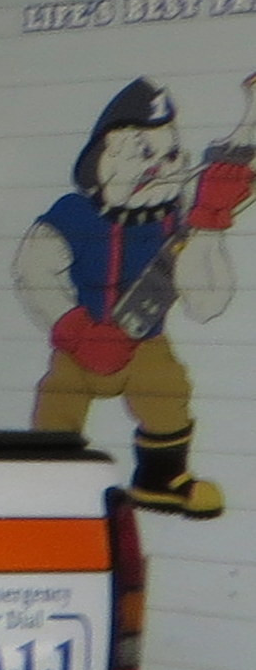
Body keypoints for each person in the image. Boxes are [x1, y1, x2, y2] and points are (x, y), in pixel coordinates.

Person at [18, 76, 237, 518]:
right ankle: (47, 479)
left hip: (145, 344)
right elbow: (34, 270)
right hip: (79, 346)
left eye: (170, 154)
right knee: (59, 399)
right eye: (144, 153)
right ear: (105, 157)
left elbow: (206, 302)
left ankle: (160, 477)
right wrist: (74, 328)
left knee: (167, 390)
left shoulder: (175, 222)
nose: (160, 167)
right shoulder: (72, 215)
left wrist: (210, 226)